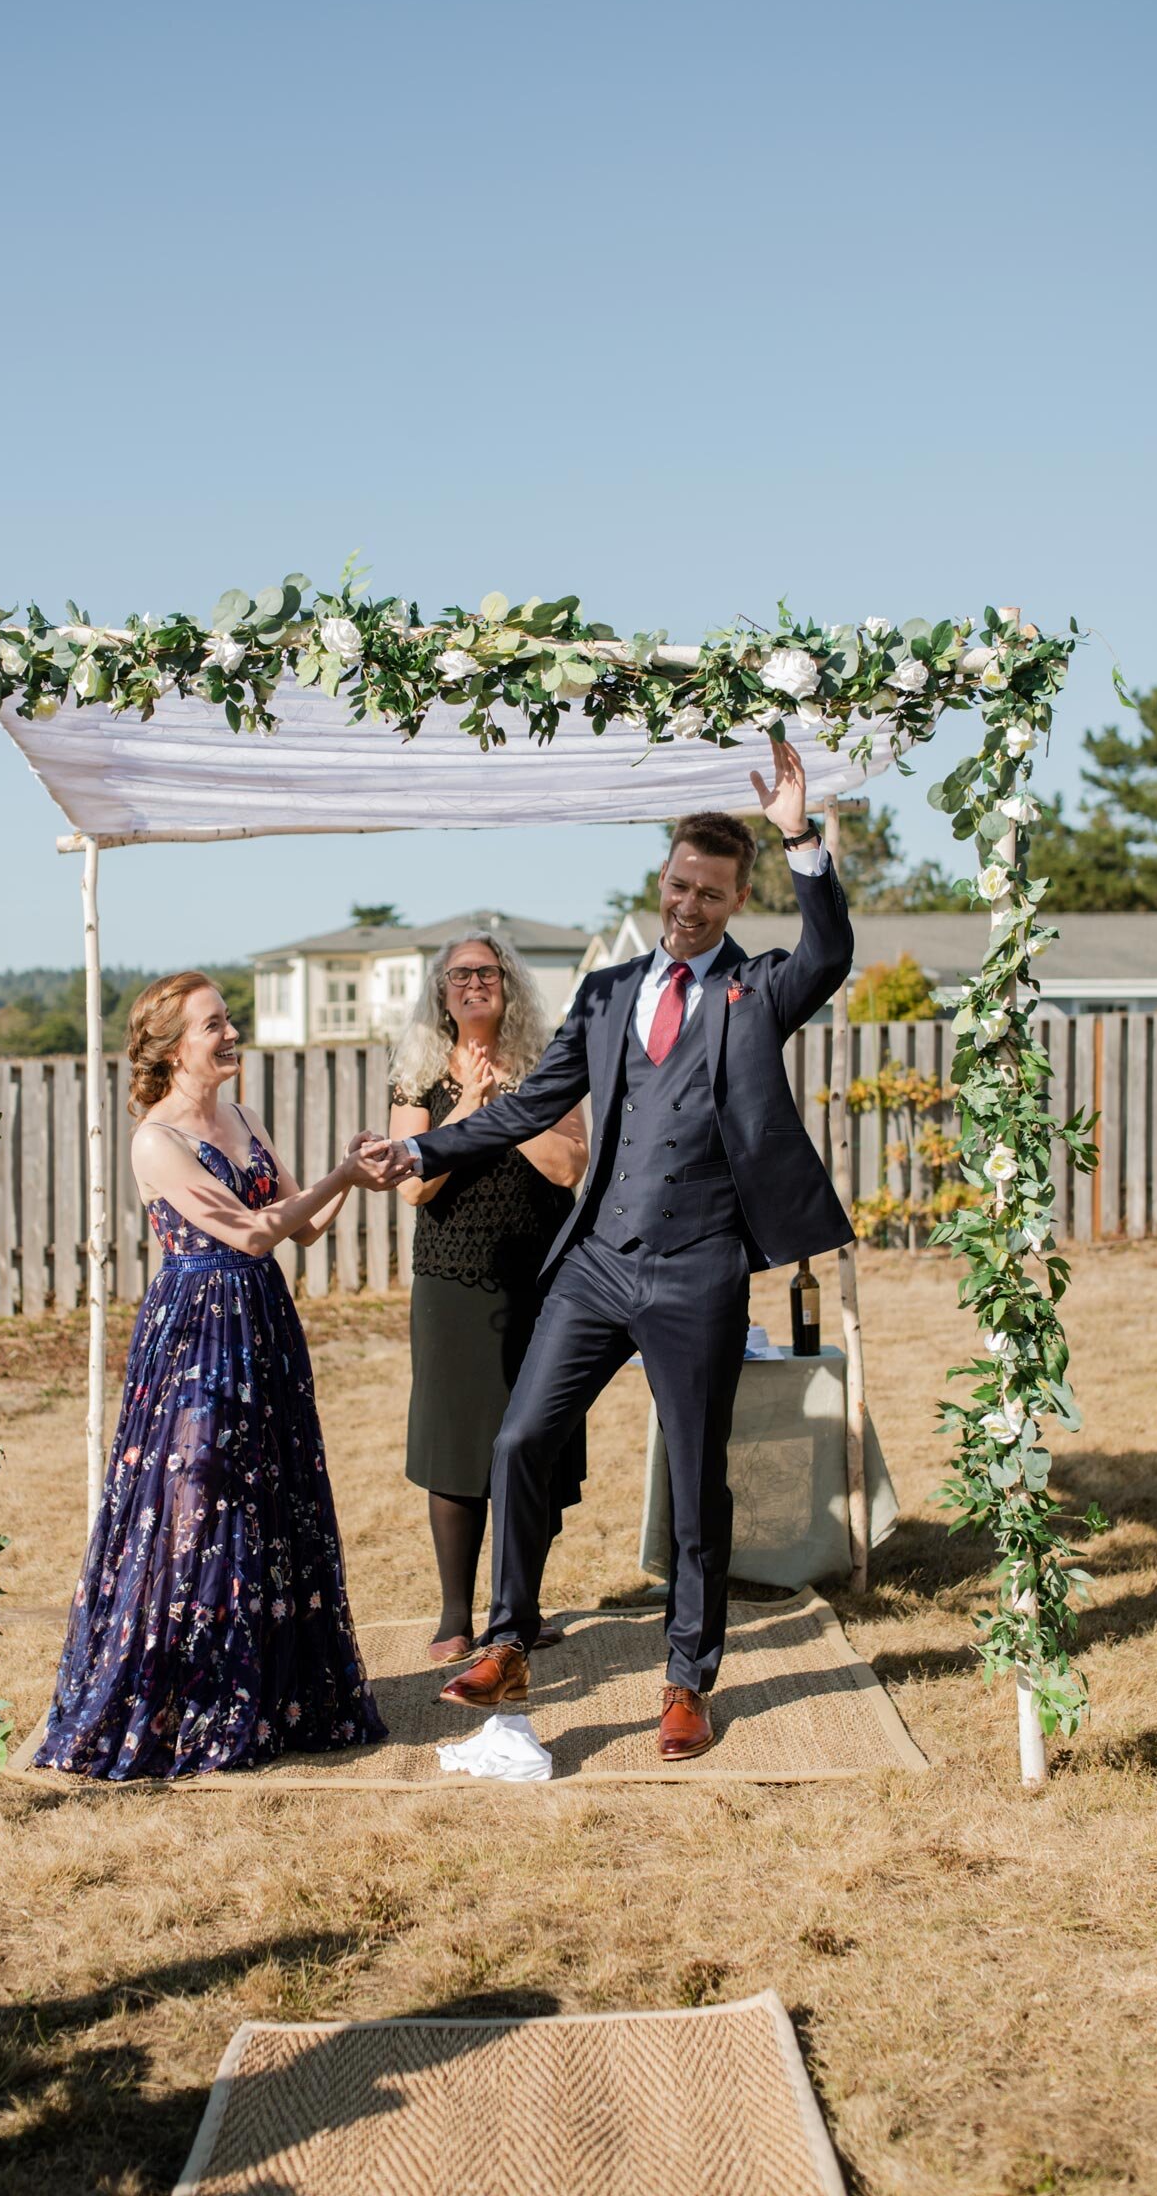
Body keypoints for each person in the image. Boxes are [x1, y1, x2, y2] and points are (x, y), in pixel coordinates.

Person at [363, 741, 854, 1761]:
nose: (689, 906)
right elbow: (529, 1109)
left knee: (690, 1473)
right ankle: (507, 1642)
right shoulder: (605, 994)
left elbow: (830, 956)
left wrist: (801, 835)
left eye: (711, 895)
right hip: (595, 1264)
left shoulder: (756, 992)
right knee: (518, 1441)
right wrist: (418, 1144)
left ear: (734, 899)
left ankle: (686, 1680)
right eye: (679, 885)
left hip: (698, 1267)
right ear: (660, 881)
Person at [35, 970, 392, 1779]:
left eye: (228, 1020)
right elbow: (254, 1234)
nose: (231, 1034)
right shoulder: (155, 1141)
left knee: (271, 1496)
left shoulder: (241, 1115)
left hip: (263, 1325)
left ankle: (269, 1694)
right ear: (169, 1049)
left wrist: (350, 1171)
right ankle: (189, 1695)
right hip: (197, 1334)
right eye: (212, 1026)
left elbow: (299, 1228)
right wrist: (336, 1183)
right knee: (194, 1501)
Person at [388, 927, 589, 1662]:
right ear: (441, 993)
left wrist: (508, 1097)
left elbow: (568, 1166)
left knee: (536, 1440)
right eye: (459, 974)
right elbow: (414, 1183)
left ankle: (521, 1611)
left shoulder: (546, 1066)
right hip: (452, 1279)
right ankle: (453, 1616)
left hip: (544, 1279)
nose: (474, 983)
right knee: (455, 1445)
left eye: (488, 971)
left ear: (509, 983)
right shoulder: (417, 1075)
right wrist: (468, 1105)